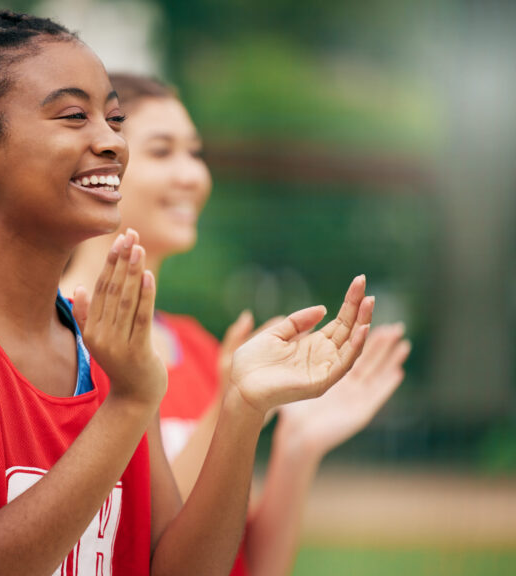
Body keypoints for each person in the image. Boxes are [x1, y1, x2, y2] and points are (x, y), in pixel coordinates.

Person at [0, 7, 375, 576]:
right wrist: (130, 401)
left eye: (114, 119)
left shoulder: (103, 341)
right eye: (73, 116)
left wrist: (241, 406)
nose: (112, 142)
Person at [61, 73, 411, 576]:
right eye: (162, 152)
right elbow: (142, 551)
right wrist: (231, 405)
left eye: (195, 153)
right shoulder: (47, 339)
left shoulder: (201, 349)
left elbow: (243, 564)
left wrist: (297, 444)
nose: (193, 176)